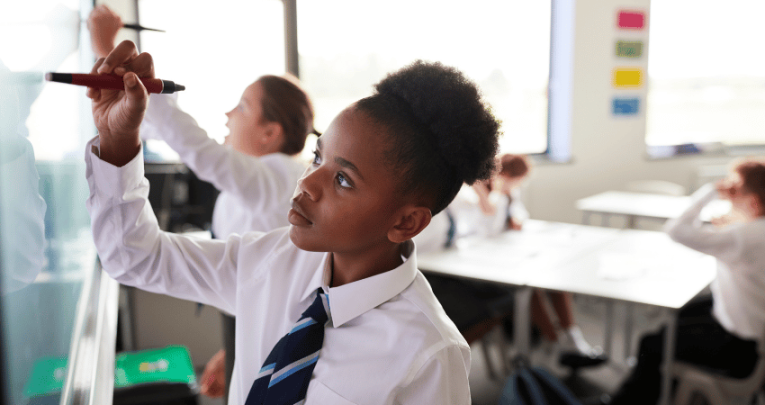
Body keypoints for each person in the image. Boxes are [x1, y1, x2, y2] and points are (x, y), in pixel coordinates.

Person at [85, 41, 501, 404]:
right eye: (318, 158)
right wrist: (119, 142)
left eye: (342, 180)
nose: (307, 182)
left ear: (407, 222)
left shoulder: (427, 354)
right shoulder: (269, 260)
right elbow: (132, 258)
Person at [87, 6, 317, 399]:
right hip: (251, 313)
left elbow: (198, 150)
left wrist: (108, 50)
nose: (228, 113)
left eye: (243, 106)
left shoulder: (279, 176)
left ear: (269, 133)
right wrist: (231, 349)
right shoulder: (252, 185)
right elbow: (253, 282)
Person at [609, 157, 765, 405]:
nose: (728, 195)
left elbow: (676, 230)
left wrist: (711, 192)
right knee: (682, 314)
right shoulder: (753, 232)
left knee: (651, 343)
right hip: (754, 332)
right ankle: (667, 387)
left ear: (753, 203)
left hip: (742, 348)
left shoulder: (742, 237)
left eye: (734, 191)